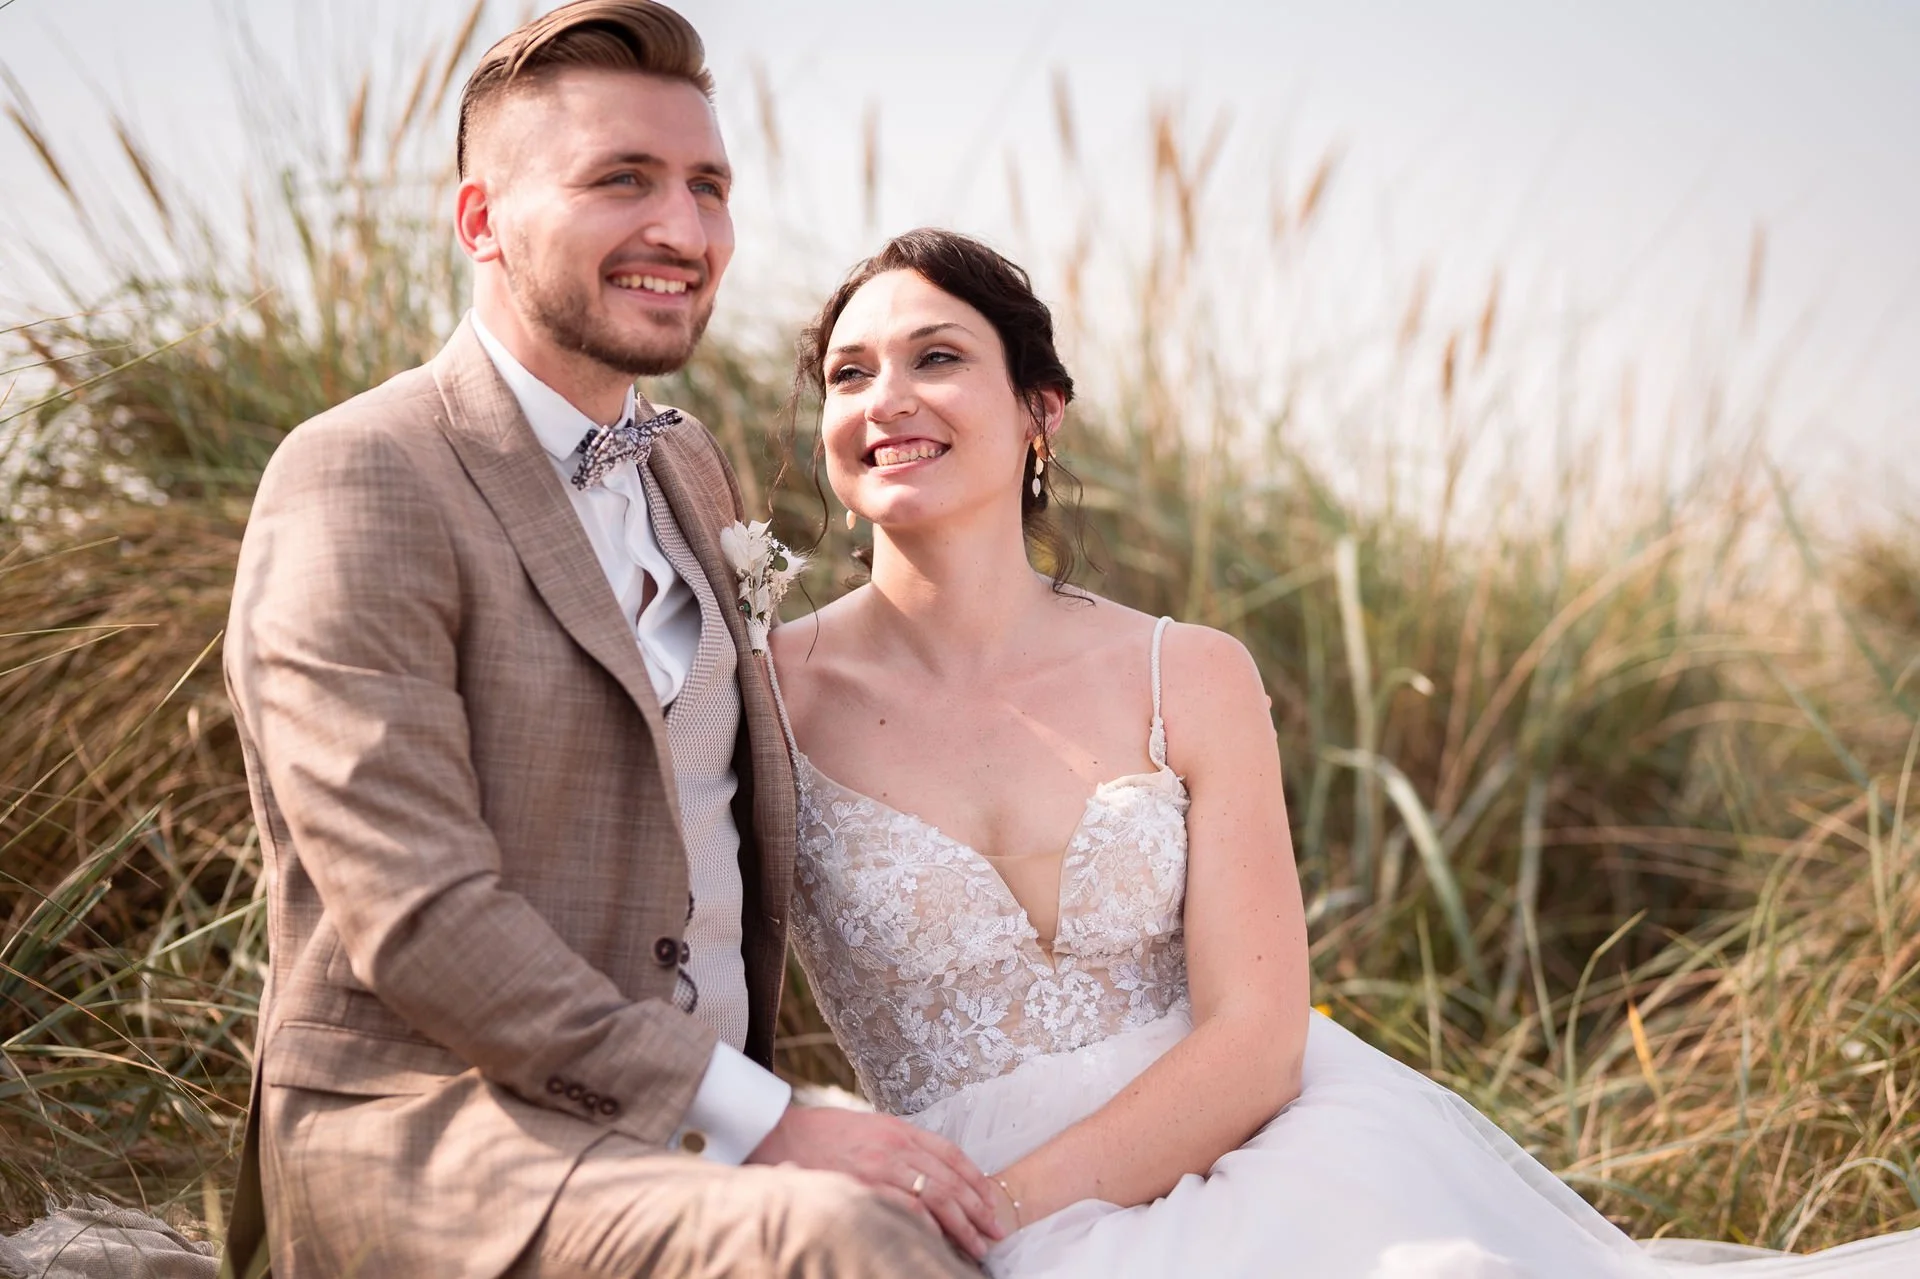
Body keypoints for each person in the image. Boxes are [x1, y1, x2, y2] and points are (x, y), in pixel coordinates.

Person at [765, 227, 1920, 1277]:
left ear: (1040, 412)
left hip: (1262, 1159)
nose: (887, 400)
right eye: (850, 373)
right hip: (929, 1206)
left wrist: (999, 1214)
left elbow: (1258, 1040)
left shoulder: (1192, 673)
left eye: (937, 358)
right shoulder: (764, 693)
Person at [221, 6, 998, 1276]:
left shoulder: (690, 463)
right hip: (447, 1136)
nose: (683, 233)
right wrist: (774, 1120)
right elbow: (422, 921)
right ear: (481, 221)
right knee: (846, 1240)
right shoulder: (360, 475)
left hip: (701, 1134)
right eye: (619, 181)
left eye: (708, 187)